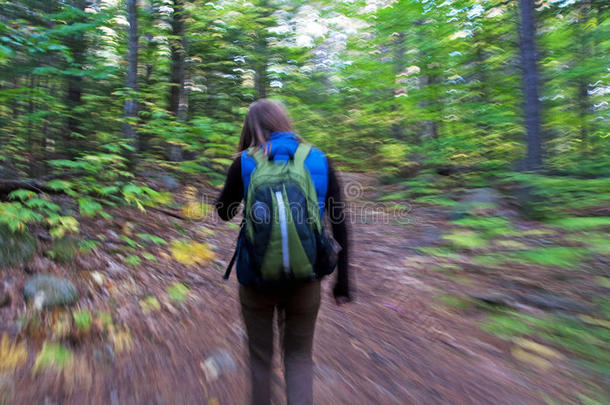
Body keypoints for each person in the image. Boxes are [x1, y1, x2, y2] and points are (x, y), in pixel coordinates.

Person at [215, 99, 351, 405]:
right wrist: (343, 284)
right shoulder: (319, 159)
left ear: (251, 128)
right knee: (299, 358)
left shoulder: (244, 162)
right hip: (307, 278)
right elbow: (340, 225)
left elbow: (223, 212)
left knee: (260, 359)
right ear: (284, 121)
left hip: (256, 277)